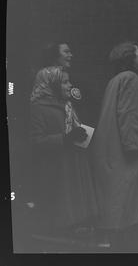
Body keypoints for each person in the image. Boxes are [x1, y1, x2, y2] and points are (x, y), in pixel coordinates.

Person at [30, 66, 98, 240]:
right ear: (51, 85)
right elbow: (37, 140)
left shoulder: (67, 104)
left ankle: (78, 228)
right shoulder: (39, 107)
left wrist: (80, 133)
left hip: (74, 160)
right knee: (63, 204)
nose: (70, 85)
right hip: (57, 166)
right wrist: (65, 138)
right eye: (64, 82)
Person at [90, 41, 138, 250]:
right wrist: (132, 145)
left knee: (111, 194)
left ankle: (109, 241)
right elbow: (128, 113)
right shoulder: (131, 78)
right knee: (123, 195)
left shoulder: (115, 80)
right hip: (121, 146)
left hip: (107, 144)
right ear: (129, 57)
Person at [39, 41, 95, 126]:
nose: (71, 55)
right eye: (66, 52)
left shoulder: (75, 80)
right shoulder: (43, 80)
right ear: (54, 55)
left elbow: (86, 109)